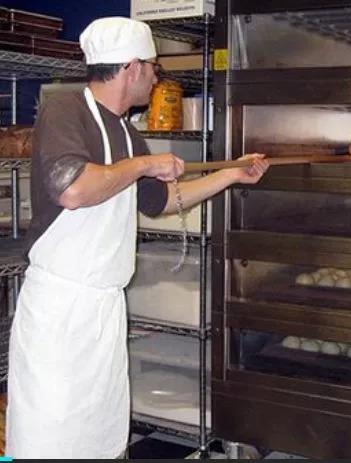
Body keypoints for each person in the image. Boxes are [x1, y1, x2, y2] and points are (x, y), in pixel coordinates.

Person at [6, 16, 269, 459]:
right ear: (131, 68)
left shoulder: (129, 134)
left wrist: (230, 175)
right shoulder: (66, 110)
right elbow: (73, 189)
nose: (155, 77)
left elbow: (160, 201)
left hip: (105, 308)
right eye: (152, 67)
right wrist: (146, 165)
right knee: (50, 434)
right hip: (60, 310)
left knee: (98, 434)